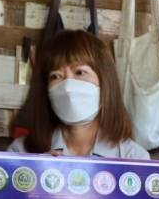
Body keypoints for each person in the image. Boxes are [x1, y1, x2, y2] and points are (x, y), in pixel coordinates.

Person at [9, 29, 149, 159]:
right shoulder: (20, 151)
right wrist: (36, 171)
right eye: (55, 76)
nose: (67, 87)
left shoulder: (134, 157)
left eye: (80, 72)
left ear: (105, 81)